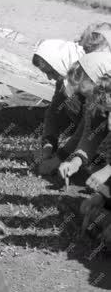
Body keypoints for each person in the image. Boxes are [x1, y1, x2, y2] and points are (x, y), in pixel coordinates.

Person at [32, 39, 85, 174]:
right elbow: (54, 112)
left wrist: (60, 158)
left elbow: (90, 126)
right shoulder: (65, 79)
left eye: (50, 72)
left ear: (59, 63)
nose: (50, 78)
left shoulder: (91, 77)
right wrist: (49, 144)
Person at [57, 53, 111, 184]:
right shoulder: (97, 103)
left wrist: (108, 171)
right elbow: (91, 135)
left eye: (89, 94)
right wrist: (75, 162)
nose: (87, 101)